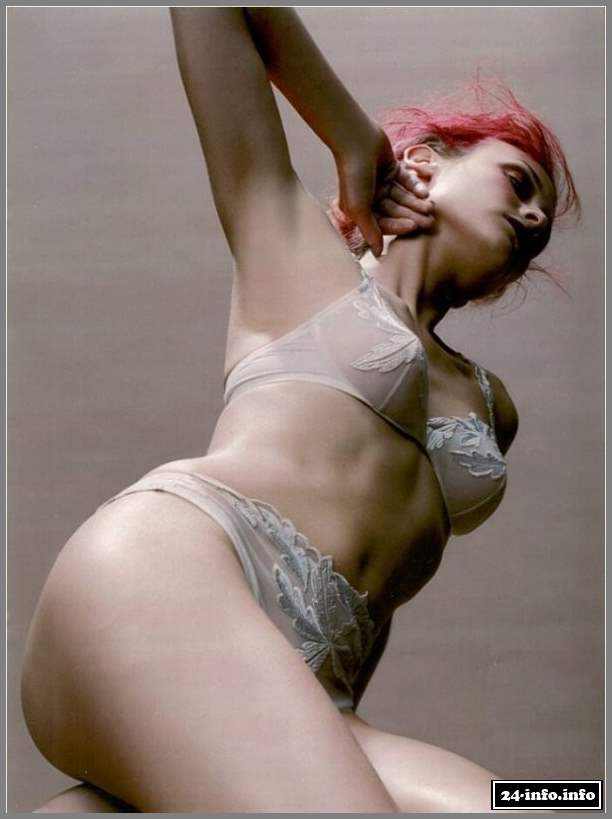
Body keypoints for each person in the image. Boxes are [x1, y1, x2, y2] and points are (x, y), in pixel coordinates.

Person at [21, 8, 578, 813]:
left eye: (541, 226)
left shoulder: (494, 409)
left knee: (552, 801)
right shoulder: (301, 253)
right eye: (519, 184)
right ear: (424, 163)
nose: (532, 220)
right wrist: (351, 134)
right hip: (168, 578)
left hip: (314, 700)